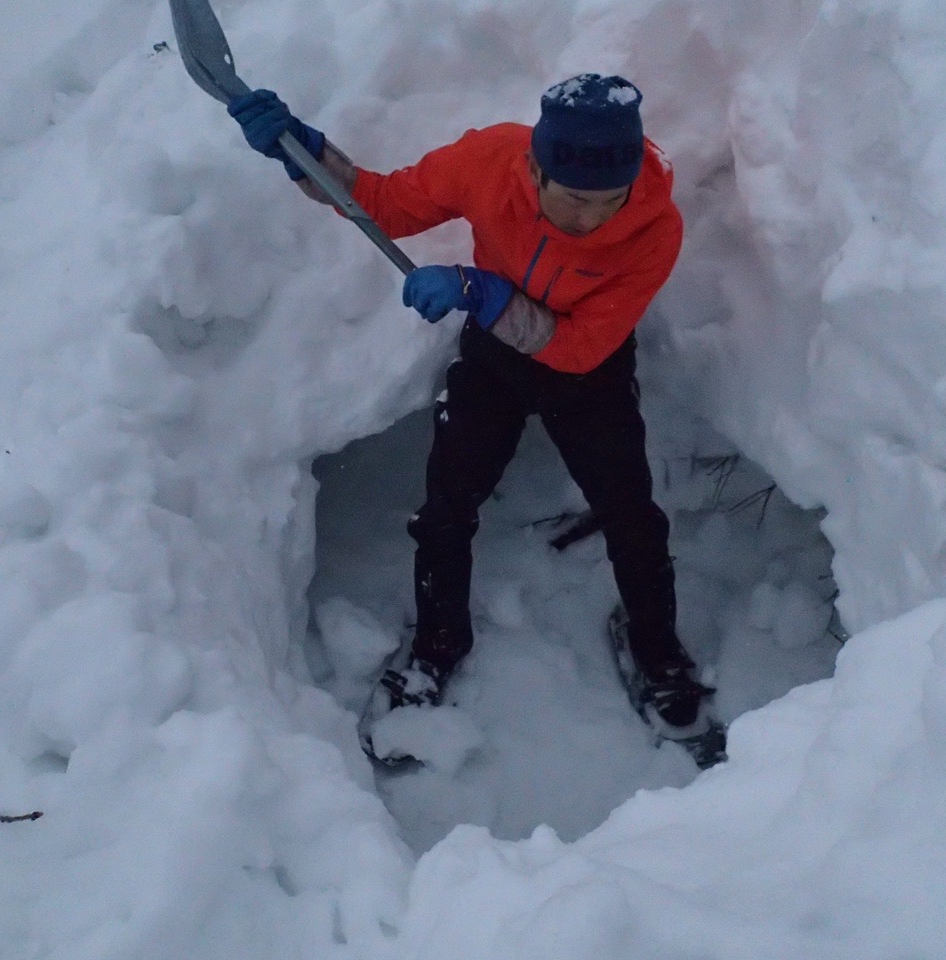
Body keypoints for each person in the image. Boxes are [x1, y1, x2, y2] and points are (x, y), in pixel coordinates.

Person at [227, 74, 711, 743]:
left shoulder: (654, 229)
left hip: (589, 371)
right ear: (536, 168)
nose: (589, 219)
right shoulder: (489, 162)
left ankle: (657, 651)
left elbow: (574, 348)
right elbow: (384, 204)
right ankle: (438, 646)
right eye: (572, 199)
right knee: (445, 510)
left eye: (608, 200)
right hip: (495, 361)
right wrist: (304, 153)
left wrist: (478, 292)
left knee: (633, 515)